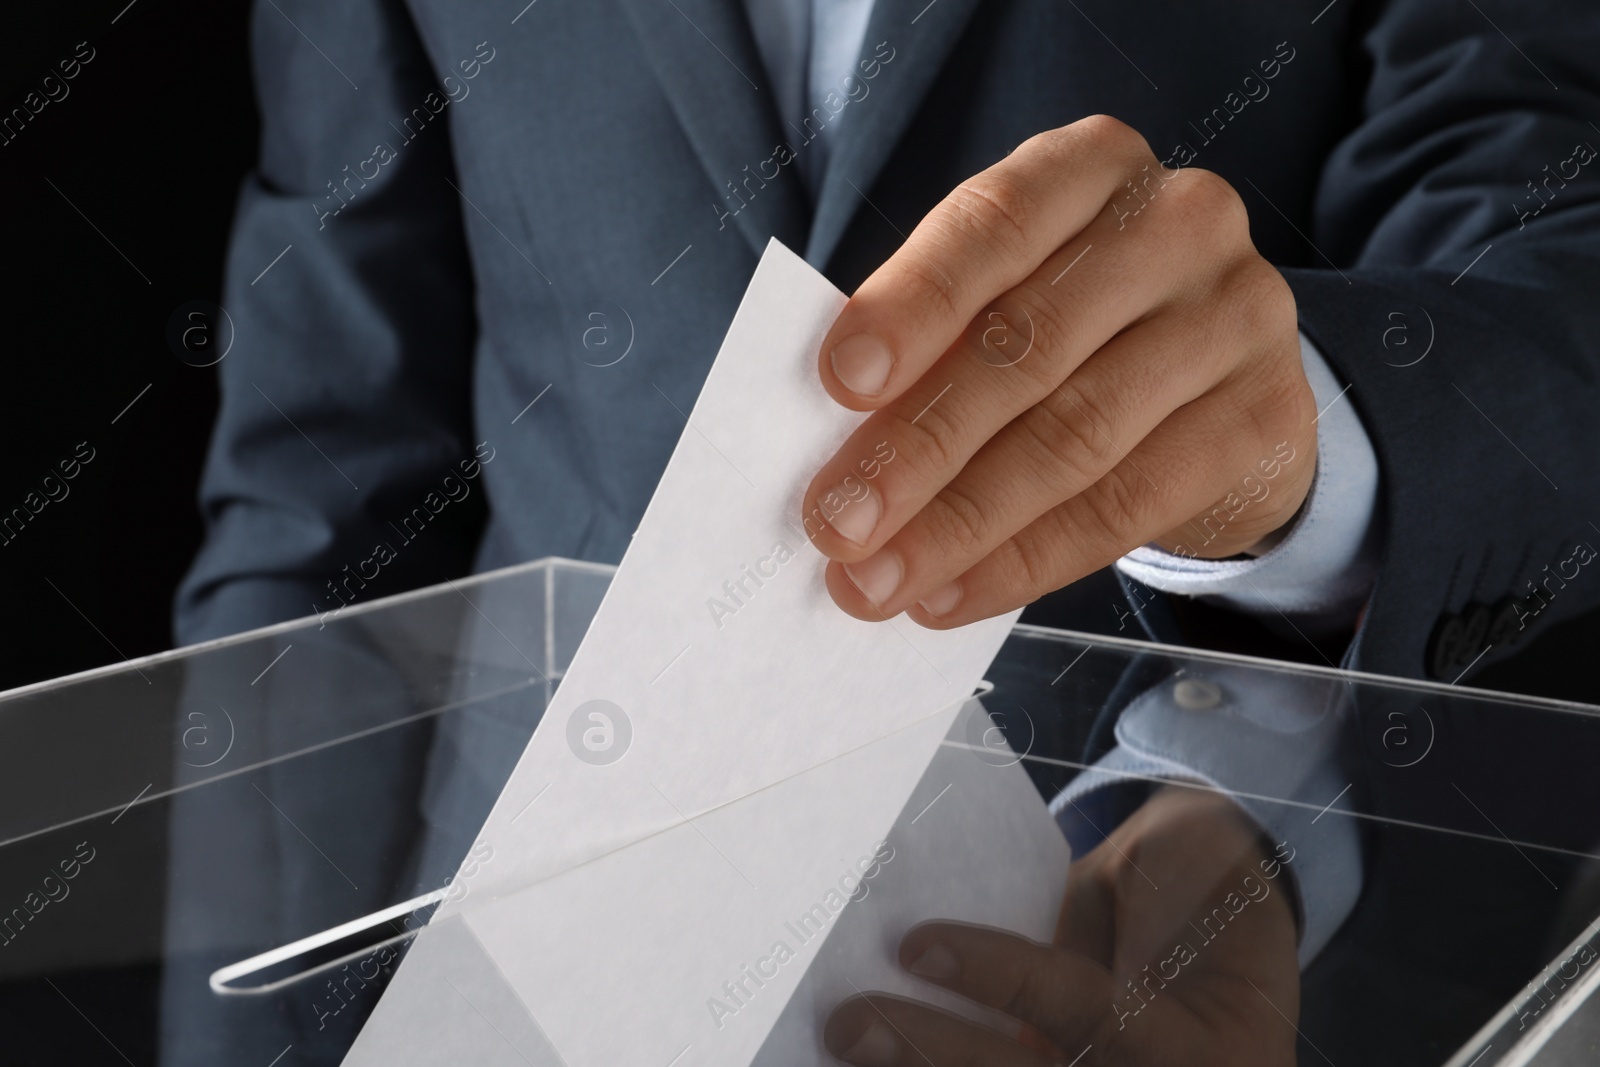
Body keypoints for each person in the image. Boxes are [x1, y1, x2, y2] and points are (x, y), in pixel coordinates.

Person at [174, 0, 1600, 1062]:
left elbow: (1553, 250)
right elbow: (317, 485)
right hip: (528, 958)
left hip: (1161, 940)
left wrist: (1301, 437)